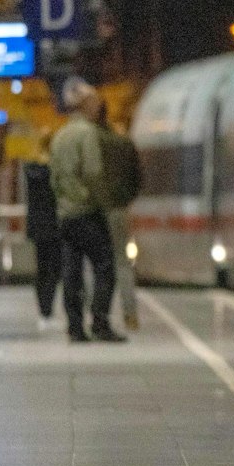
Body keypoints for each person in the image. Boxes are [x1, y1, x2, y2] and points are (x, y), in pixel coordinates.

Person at [49, 78, 124, 343]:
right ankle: (100, 322)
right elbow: (93, 172)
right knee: (105, 267)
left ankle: (75, 327)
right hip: (87, 212)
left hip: (66, 214)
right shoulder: (87, 134)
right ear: (85, 105)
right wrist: (106, 202)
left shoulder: (60, 136)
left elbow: (54, 178)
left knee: (72, 271)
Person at [100, 113, 143, 331]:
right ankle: (130, 315)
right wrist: (124, 200)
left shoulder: (94, 142)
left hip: (95, 210)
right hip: (118, 209)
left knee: (95, 264)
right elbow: (137, 178)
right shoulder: (125, 144)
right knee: (122, 263)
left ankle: (97, 315)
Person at [23, 133, 62, 332]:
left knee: (41, 269)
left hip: (37, 227)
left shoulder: (30, 169)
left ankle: (43, 310)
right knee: (54, 270)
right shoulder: (55, 170)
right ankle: (48, 308)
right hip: (54, 226)